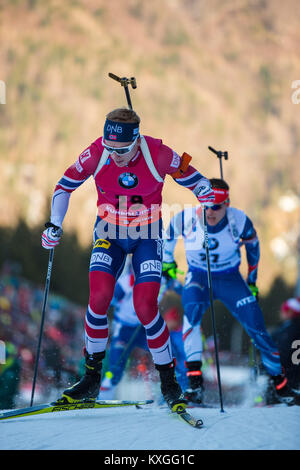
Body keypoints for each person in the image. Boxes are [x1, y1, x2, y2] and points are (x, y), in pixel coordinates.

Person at [41, 107, 214, 410]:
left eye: (121, 150)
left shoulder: (158, 153)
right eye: (110, 148)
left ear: (136, 140)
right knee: (99, 299)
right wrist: (55, 224)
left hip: (147, 235)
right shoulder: (97, 151)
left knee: (145, 306)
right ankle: (91, 379)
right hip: (109, 232)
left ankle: (169, 382)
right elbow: (64, 185)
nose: (115, 156)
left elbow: (196, 179)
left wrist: (205, 194)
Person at [163, 177, 296, 405]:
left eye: (217, 207)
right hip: (199, 276)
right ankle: (195, 385)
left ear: (227, 204)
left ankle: (282, 387)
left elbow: (253, 248)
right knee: (191, 313)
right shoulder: (186, 218)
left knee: (257, 327)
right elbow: (168, 235)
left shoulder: (239, 220)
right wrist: (168, 264)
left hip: (230, 278)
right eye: (206, 206)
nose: (211, 212)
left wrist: (252, 280)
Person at [100, 261, 188, 399]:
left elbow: (183, 290)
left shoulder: (159, 280)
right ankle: (103, 396)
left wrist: (172, 274)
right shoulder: (126, 282)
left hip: (144, 328)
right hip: (123, 329)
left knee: (170, 354)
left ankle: (181, 391)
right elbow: (106, 303)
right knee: (116, 366)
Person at [270, 297, 300, 393]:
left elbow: (282, 354)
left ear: (291, 312)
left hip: (289, 381)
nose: (280, 313)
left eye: (283, 310)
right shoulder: (288, 328)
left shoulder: (289, 330)